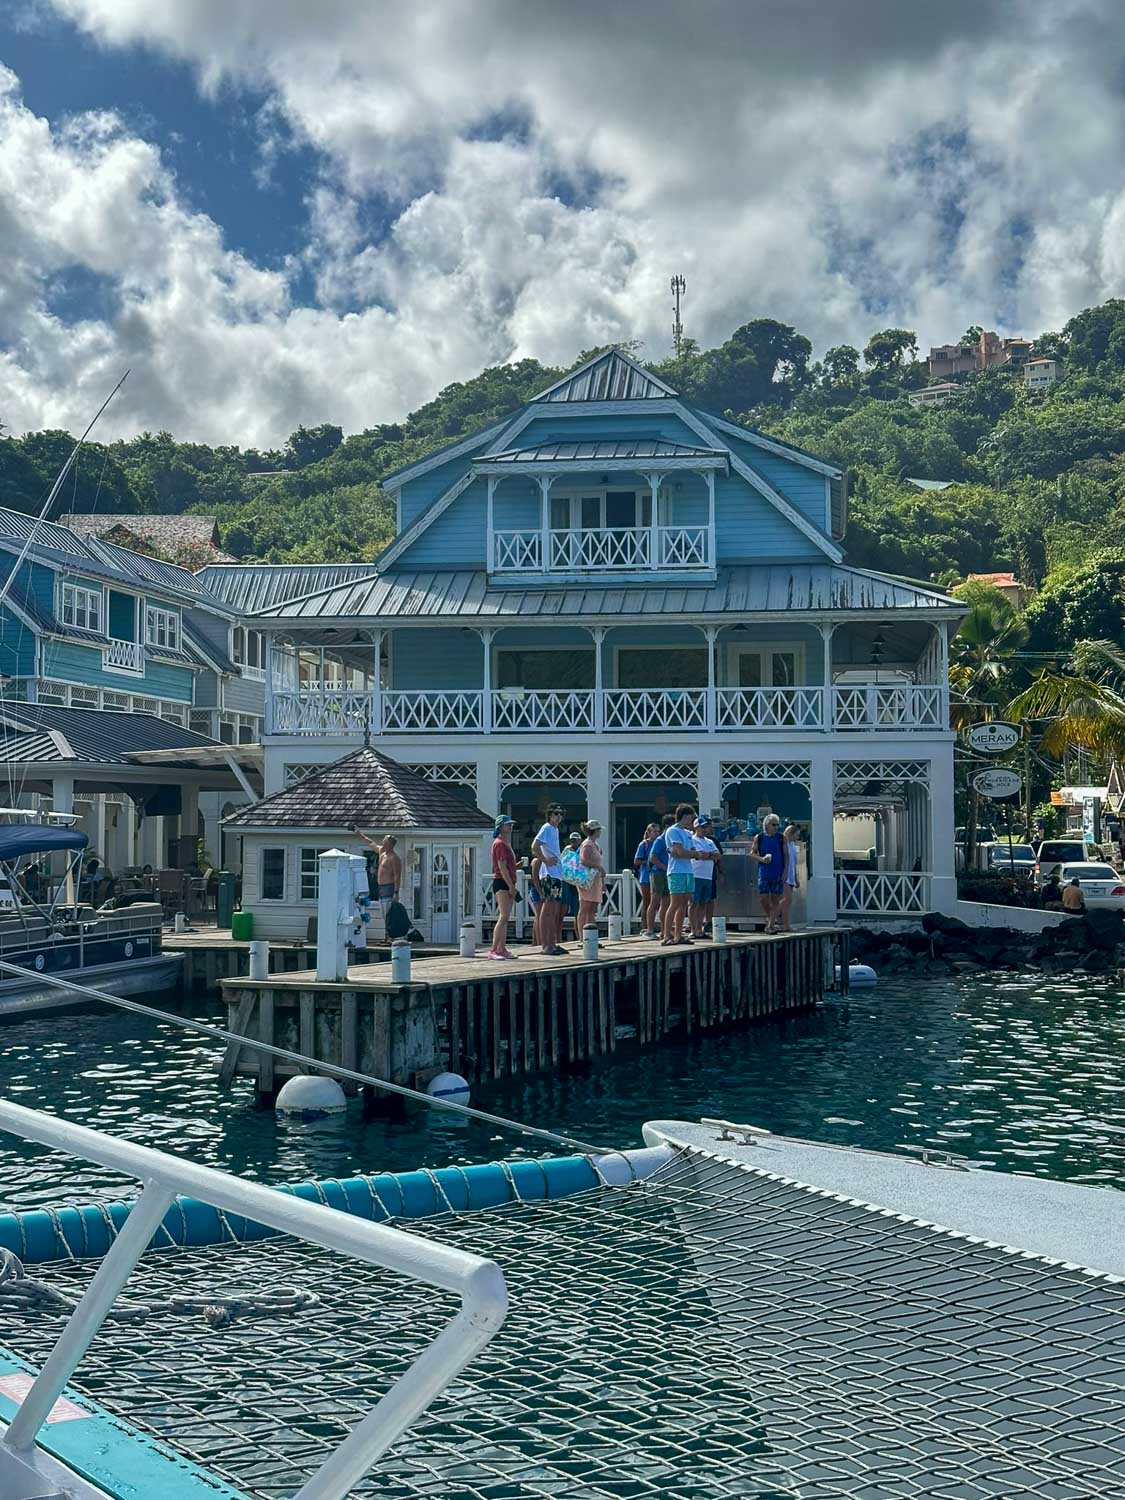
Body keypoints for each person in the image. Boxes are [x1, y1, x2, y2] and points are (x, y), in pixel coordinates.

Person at [532, 803, 567, 956]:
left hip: (557, 873)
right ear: (550, 815)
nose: (558, 816)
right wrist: (545, 860)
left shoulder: (555, 829)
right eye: (556, 813)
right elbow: (535, 846)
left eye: (561, 814)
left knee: (554, 910)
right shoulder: (546, 828)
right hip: (549, 874)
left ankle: (552, 943)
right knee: (547, 910)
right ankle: (545, 945)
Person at [662, 804, 697, 946]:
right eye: (690, 817)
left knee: (684, 903)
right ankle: (666, 935)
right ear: (684, 816)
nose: (692, 820)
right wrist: (692, 853)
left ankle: (678, 935)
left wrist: (691, 853)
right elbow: (679, 852)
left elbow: (689, 851)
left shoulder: (688, 833)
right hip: (676, 871)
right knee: (675, 903)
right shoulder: (673, 831)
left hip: (688, 870)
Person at [351, 827, 402, 915]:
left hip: (388, 888)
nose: (382, 842)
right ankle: (386, 928)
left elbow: (397, 876)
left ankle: (389, 929)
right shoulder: (382, 852)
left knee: (388, 914)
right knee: (383, 913)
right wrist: (359, 834)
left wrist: (396, 893)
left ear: (389, 844)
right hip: (381, 888)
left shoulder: (394, 858)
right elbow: (370, 843)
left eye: (384, 841)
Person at [489, 814, 518, 959]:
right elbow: (501, 867)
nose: (510, 827)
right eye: (508, 824)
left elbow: (507, 865)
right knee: (503, 915)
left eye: (511, 824)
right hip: (502, 882)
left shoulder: (506, 843)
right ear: (500, 827)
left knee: (506, 917)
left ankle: (502, 948)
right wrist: (511, 886)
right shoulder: (499, 843)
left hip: (508, 881)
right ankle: (494, 950)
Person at [751, 813, 785, 933]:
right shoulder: (759, 837)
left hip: (777, 872)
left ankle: (770, 925)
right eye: (773, 825)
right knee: (763, 899)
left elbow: (786, 856)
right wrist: (762, 859)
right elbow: (752, 853)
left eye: (777, 825)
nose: (776, 827)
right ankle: (772, 918)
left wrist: (785, 873)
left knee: (776, 899)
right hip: (764, 872)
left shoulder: (781, 838)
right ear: (766, 825)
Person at [689, 816, 720, 937]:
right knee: (693, 903)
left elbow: (717, 855)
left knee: (703, 903)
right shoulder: (692, 840)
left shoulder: (710, 841)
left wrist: (708, 855)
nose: (705, 829)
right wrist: (707, 855)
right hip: (695, 874)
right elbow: (699, 855)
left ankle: (699, 929)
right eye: (703, 827)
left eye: (706, 827)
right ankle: (692, 929)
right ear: (696, 827)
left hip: (707, 876)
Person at [647, 812, 675, 939]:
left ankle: (665, 930)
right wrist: (665, 867)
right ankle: (650, 929)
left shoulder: (672, 840)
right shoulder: (660, 840)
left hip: (668, 874)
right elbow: (653, 858)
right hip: (658, 873)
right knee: (654, 902)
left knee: (666, 903)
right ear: (667, 826)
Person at [577, 820, 606, 938]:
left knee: (592, 908)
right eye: (599, 830)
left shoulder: (595, 845)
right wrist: (599, 866)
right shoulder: (587, 844)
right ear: (595, 831)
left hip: (595, 880)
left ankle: (591, 936)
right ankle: (582, 937)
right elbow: (583, 860)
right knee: (585, 907)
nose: (600, 832)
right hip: (587, 880)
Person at [634, 821, 659, 936]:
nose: (657, 834)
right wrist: (648, 861)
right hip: (645, 876)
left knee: (657, 902)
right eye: (654, 831)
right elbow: (636, 861)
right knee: (647, 901)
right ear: (649, 833)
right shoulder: (644, 844)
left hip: (657, 875)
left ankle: (653, 925)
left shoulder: (659, 843)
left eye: (658, 831)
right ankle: (645, 926)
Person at [780, 823, 801, 932]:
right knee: (787, 899)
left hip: (791, 876)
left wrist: (796, 878)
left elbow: (794, 863)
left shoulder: (793, 845)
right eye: (796, 835)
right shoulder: (784, 845)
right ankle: (773, 917)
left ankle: (785, 924)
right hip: (785, 876)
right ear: (791, 834)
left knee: (788, 902)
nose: (797, 837)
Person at [562, 832, 582, 940]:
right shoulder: (567, 850)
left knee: (577, 912)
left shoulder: (583, 849)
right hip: (567, 882)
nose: (573, 842)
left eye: (575, 840)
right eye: (572, 840)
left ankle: (580, 937)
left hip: (577, 883)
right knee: (563, 908)